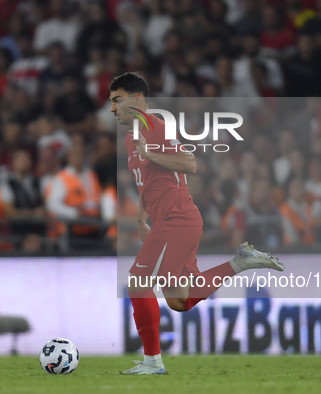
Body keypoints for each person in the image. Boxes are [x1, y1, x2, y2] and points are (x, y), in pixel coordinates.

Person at [109, 72, 284, 375]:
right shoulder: (130, 139)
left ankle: (152, 362)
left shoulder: (157, 128)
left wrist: (150, 153)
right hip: (174, 219)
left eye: (117, 100)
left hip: (176, 218)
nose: (112, 108)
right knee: (179, 300)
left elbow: (190, 163)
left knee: (138, 283)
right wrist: (140, 216)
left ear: (138, 100)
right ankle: (239, 263)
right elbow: (146, 183)